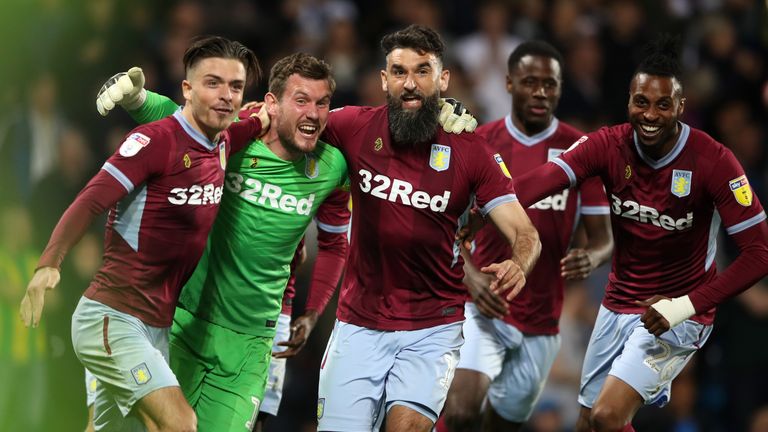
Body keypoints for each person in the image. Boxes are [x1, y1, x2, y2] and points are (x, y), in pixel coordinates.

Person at [512, 36, 768, 432]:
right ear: (629, 99)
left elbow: (759, 253)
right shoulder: (608, 144)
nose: (649, 114)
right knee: (588, 424)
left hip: (680, 311)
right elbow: (545, 179)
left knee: (608, 415)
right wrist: (486, 204)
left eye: (663, 105)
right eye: (641, 102)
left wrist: (685, 305)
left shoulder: (714, 161)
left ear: (681, 107)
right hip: (617, 303)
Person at [19, 35, 267, 431]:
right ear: (187, 89)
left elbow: (246, 128)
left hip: (154, 326)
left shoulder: (220, 141)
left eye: (235, 87)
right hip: (113, 317)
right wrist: (49, 262)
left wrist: (263, 117)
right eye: (212, 83)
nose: (226, 96)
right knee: (179, 423)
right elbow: (91, 199)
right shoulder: (155, 140)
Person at [100, 53, 349, 431]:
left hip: (251, 344)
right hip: (185, 322)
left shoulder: (332, 168)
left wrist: (313, 311)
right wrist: (137, 100)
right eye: (301, 100)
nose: (313, 113)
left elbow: (334, 244)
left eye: (322, 103)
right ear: (271, 104)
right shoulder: (235, 137)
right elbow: (177, 122)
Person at [316, 24, 542, 432]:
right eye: (399, 72)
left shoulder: (471, 151)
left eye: (422, 71)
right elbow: (294, 124)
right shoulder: (351, 127)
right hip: (358, 324)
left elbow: (526, 233)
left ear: (443, 79)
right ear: (384, 80)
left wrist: (519, 265)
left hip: (432, 329)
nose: (410, 83)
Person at [439, 40, 613, 432]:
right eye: (530, 81)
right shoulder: (479, 142)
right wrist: (471, 277)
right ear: (509, 83)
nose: (540, 92)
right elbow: (444, 222)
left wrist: (593, 255)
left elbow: (603, 237)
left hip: (542, 318)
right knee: (462, 408)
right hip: (485, 304)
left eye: (549, 84)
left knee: (502, 425)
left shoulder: (580, 150)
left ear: (560, 87)